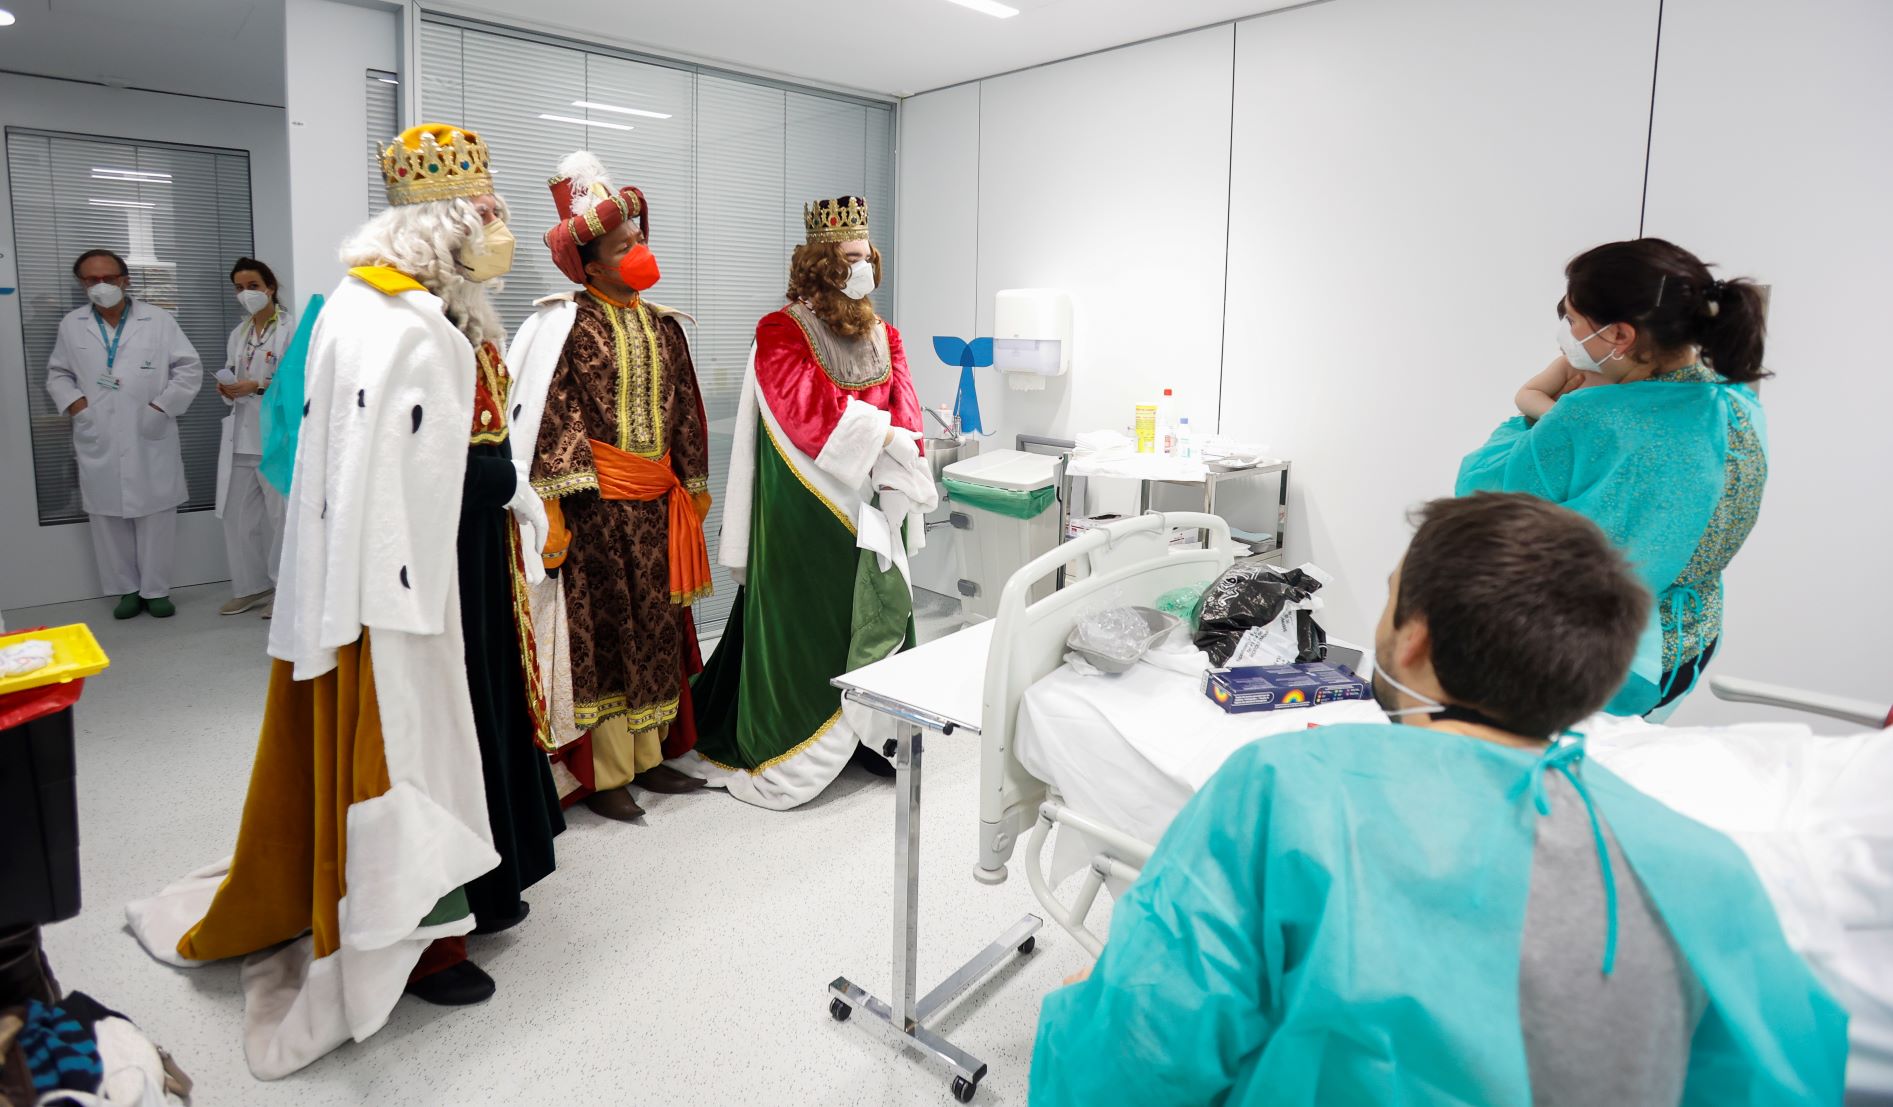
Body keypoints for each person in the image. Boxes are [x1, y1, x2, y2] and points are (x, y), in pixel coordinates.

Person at [1030, 492, 1847, 1107]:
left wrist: (1076, 1007)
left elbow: (1136, 1052)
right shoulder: (1709, 872)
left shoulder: (1287, 792)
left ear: (1412, 640)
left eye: (1388, 596)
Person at [124, 124, 561, 1079]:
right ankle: (417, 938)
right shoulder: (392, 321)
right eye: (485, 215)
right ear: (441, 229)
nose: (501, 231)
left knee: (468, 726)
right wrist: (505, 488)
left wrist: (501, 488)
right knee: (414, 744)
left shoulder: (423, 311)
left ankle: (467, 896)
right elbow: (405, 475)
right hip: (402, 587)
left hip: (444, 563)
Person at [685, 196, 938, 810]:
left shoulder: (886, 333)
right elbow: (804, 413)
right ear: (822, 262)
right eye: (850, 256)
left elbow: (903, 404)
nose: (864, 266)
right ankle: (801, 740)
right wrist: (883, 438)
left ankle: (872, 737)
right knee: (814, 626)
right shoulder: (782, 329)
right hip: (811, 504)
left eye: (867, 254)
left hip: (875, 500)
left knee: (880, 616)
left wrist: (900, 458)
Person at [1457, 238, 1770, 717]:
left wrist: (1535, 414)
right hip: (1687, 642)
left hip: (1599, 654)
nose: (1567, 331)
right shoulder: (1737, 404)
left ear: (1620, 336)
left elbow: (1482, 497)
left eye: (1574, 320)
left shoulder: (1591, 415)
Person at [508, 152, 712, 821]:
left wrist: (694, 483)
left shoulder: (664, 325)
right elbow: (553, 417)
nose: (640, 251)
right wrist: (557, 510)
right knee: (607, 641)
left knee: (657, 630)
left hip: (658, 507)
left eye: (641, 239)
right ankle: (607, 772)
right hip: (597, 511)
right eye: (625, 246)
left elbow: (686, 409)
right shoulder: (564, 326)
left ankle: (653, 758)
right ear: (590, 263)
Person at [44, 249, 203, 620]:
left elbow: (188, 369)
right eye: (91, 280)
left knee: (157, 514)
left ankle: (156, 590)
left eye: (109, 278)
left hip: (149, 429)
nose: (101, 286)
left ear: (125, 280)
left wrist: (162, 407)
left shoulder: (158, 320)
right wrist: (78, 407)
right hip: (97, 431)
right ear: (82, 284)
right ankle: (126, 590)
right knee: (106, 516)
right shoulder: (72, 324)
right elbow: (57, 374)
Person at [215, 257, 294, 617]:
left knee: (281, 518)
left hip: (276, 437)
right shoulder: (240, 332)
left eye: (252, 287)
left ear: (270, 288)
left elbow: (299, 382)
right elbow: (234, 372)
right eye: (239, 288)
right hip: (242, 435)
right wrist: (228, 388)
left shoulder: (290, 329)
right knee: (237, 516)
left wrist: (258, 386)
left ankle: (284, 591)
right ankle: (251, 587)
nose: (245, 294)